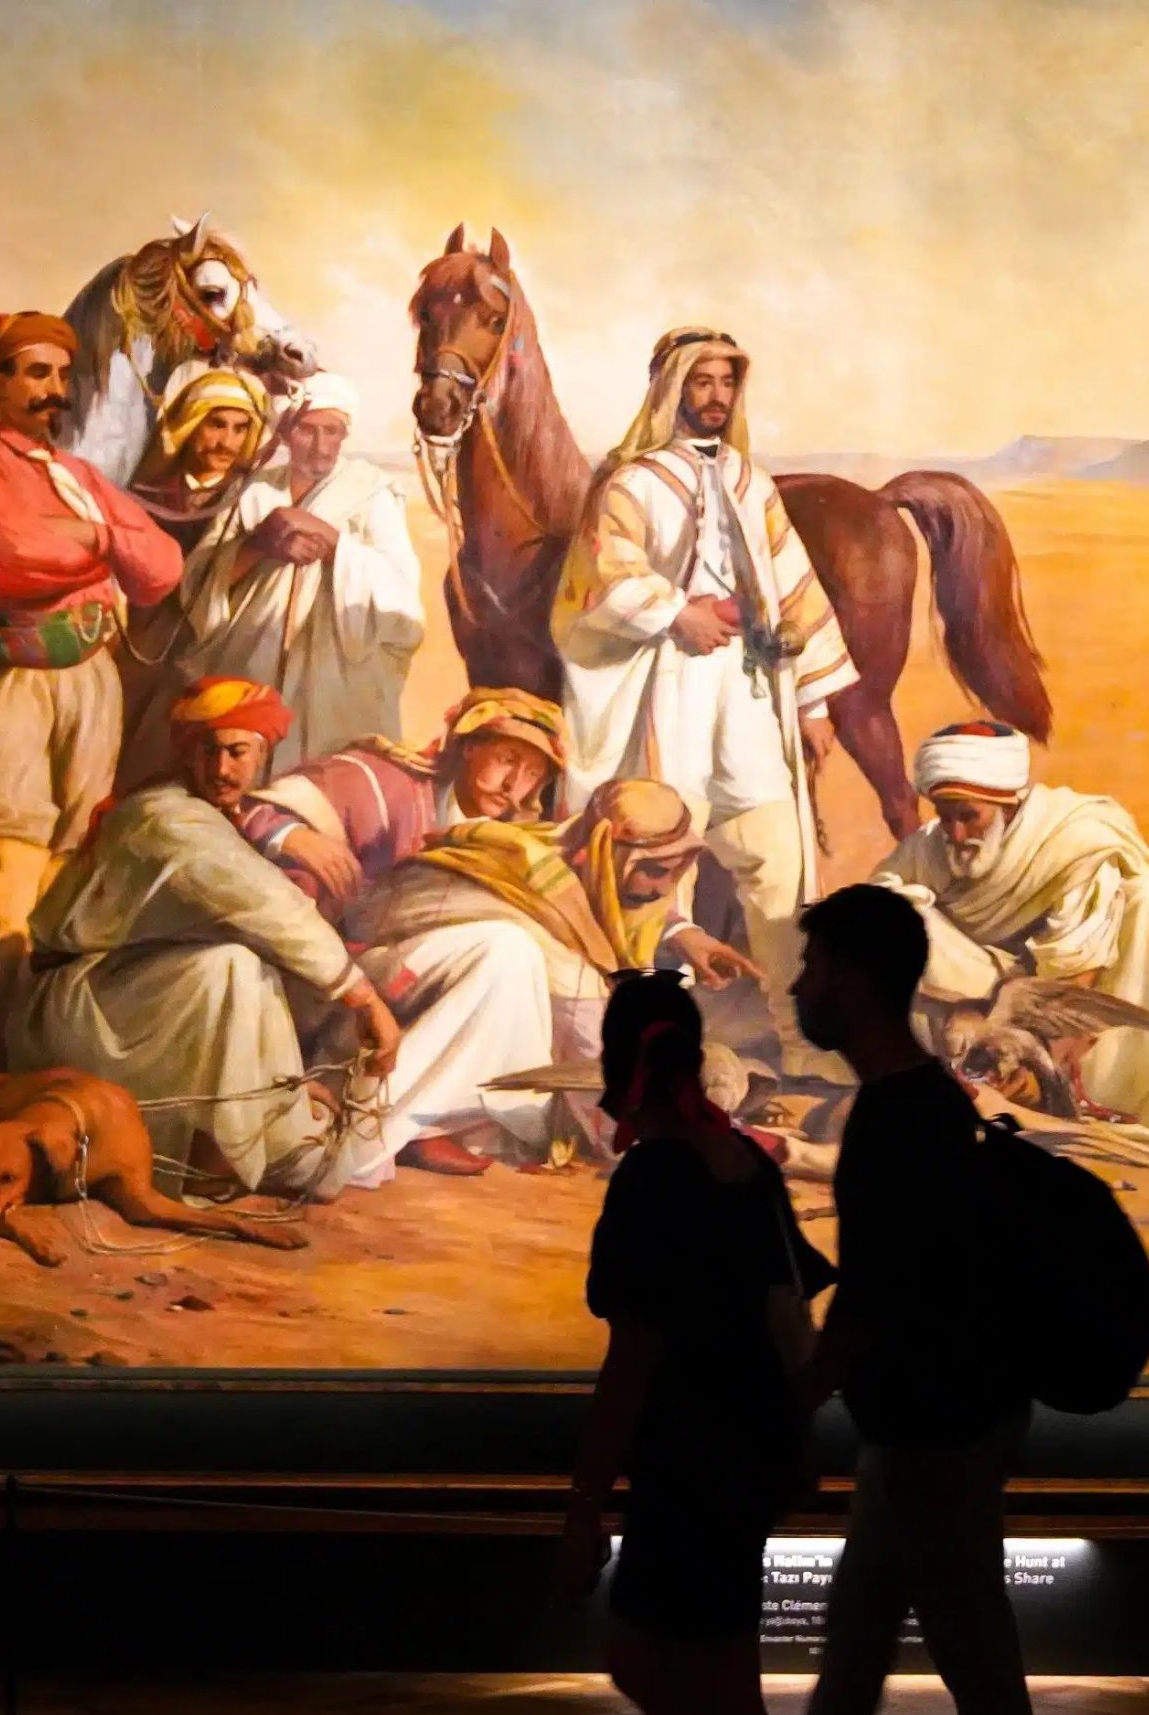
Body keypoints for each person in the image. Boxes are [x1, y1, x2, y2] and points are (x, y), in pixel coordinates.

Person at [646, 885, 1052, 1715]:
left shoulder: (896, 1118)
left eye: (815, 966)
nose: (797, 986)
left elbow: (873, 1298)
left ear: (859, 981)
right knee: (859, 1645)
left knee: (970, 1652)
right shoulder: (917, 1105)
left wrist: (790, 1405)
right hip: (933, 1421)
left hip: (939, 1427)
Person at [559, 970, 839, 1715]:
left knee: (696, 1684)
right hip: (748, 1446)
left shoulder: (654, 1179)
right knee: (701, 1678)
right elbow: (789, 1316)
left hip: (691, 1454)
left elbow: (632, 1357)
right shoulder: (741, 1163)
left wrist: (584, 1501)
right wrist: (794, 1440)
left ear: (620, 1065)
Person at [552, 327, 855, 1075]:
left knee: (778, 859)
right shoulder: (631, 483)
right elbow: (601, 577)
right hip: (667, 686)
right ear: (672, 389)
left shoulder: (754, 484)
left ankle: (803, 1047)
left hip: (747, 692)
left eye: (726, 382)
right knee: (661, 863)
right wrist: (674, 612)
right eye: (701, 381)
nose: (716, 396)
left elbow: (796, 589)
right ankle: (656, 1055)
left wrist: (813, 704)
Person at [11, 675, 403, 1190]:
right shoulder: (165, 816)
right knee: (228, 967)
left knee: (241, 962)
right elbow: (264, 903)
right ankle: (211, 1158)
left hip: (131, 994)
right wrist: (365, 999)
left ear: (262, 754)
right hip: (80, 1009)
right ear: (186, 753)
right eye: (208, 750)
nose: (221, 768)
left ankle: (248, 1126)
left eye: (237, 752)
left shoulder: (220, 816)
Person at [0, 310, 184, 1047]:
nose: (54, 390)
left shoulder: (78, 476)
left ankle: (37, 1041)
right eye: (37, 374)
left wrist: (91, 535)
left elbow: (161, 568)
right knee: (5, 863)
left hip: (89, 681)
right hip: (2, 683)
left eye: (63, 375)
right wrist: (107, 542)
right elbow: (7, 558)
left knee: (67, 863)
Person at [317, 778, 759, 1186]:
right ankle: (387, 1127)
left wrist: (685, 934)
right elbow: (587, 1033)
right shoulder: (537, 872)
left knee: (516, 973)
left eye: (673, 872)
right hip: (384, 981)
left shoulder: (585, 858)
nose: (663, 890)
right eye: (656, 871)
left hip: (452, 975)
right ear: (610, 853)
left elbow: (613, 917)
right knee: (510, 955)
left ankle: (452, 1122)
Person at [872, 722, 1149, 1142]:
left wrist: (1034, 1042)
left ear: (1007, 806)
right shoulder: (930, 847)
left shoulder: (1073, 840)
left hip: (1062, 993)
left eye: (969, 816)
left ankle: (1113, 1092)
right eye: (945, 816)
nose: (956, 833)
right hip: (974, 997)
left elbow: (1073, 968)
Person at [132, 370, 426, 775]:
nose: (320, 445)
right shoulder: (253, 489)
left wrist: (332, 542)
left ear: (345, 435)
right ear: (286, 433)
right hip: (248, 660)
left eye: (332, 431)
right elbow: (198, 584)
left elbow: (400, 590)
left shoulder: (371, 490)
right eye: (307, 430)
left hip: (334, 677)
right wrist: (258, 545)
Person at [237, 687, 568, 916]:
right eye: (507, 760)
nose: (513, 784)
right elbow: (254, 810)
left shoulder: (512, 845)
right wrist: (292, 835)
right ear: (470, 748)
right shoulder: (389, 783)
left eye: (532, 773)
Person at [126, 362, 271, 553]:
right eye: (217, 425)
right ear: (191, 425)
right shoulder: (149, 495)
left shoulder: (249, 503)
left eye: (240, 429)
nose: (226, 443)